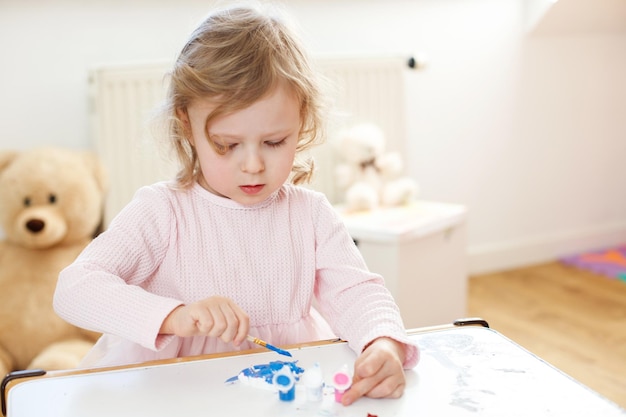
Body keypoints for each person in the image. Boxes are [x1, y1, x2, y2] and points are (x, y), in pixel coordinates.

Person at [53, 4, 418, 406]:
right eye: (227, 145)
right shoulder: (162, 211)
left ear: (303, 120)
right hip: (178, 395)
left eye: (274, 142)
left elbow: (356, 293)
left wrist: (384, 343)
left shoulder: (310, 214)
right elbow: (75, 288)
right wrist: (175, 316)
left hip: (282, 391)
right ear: (187, 126)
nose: (253, 165)